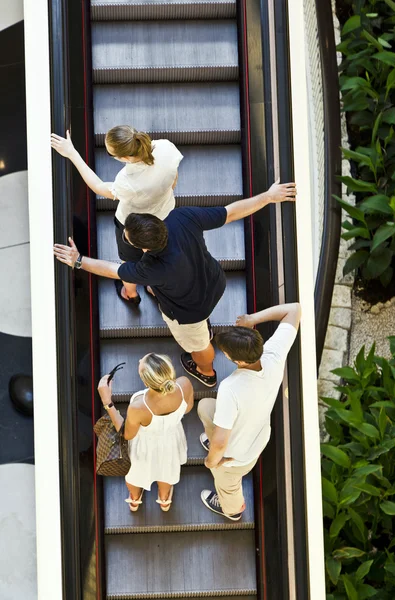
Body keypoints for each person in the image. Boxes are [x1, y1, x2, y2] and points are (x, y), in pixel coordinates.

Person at [53, 181, 297, 387]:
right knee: (162, 290)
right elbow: (231, 212)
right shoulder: (182, 217)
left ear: (144, 248)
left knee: (200, 344)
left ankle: (206, 371)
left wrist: (78, 261)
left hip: (190, 313)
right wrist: (268, 196)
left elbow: (112, 270)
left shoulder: (150, 269)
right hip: (213, 282)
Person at [51, 126, 183, 303]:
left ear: (125, 157)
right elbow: (174, 178)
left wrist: (72, 153)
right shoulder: (165, 147)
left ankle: (131, 293)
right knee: (158, 251)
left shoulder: (127, 181)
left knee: (129, 263)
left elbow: (98, 187)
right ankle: (153, 286)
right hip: (165, 214)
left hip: (133, 224)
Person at [197, 301, 301, 521]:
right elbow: (294, 309)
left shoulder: (230, 389)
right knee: (205, 407)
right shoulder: (272, 355)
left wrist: (211, 461)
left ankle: (232, 509)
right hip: (257, 436)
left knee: (225, 480)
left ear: (239, 361)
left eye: (225, 353)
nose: (223, 354)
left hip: (235, 457)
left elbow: (220, 444)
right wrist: (252, 319)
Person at [97, 353, 194, 512]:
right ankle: (164, 499)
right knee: (166, 471)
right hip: (170, 440)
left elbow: (127, 434)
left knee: (136, 473)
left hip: (143, 446)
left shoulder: (139, 405)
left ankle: (135, 499)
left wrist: (107, 402)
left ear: (145, 381)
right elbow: (188, 408)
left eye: (141, 363)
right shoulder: (184, 384)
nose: (139, 360)